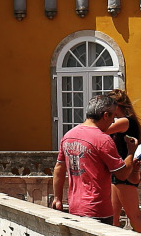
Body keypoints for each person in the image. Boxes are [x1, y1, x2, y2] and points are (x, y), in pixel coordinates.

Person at [50, 94, 131, 224]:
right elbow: (122, 174)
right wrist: (132, 152)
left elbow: (59, 168)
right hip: (98, 209)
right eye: (113, 117)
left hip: (75, 207)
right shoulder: (103, 139)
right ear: (105, 115)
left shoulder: (69, 135)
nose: (113, 122)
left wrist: (57, 198)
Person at [105, 90, 141, 230]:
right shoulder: (129, 120)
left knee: (134, 215)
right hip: (119, 171)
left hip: (125, 171)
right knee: (112, 217)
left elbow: (101, 130)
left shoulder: (124, 121)